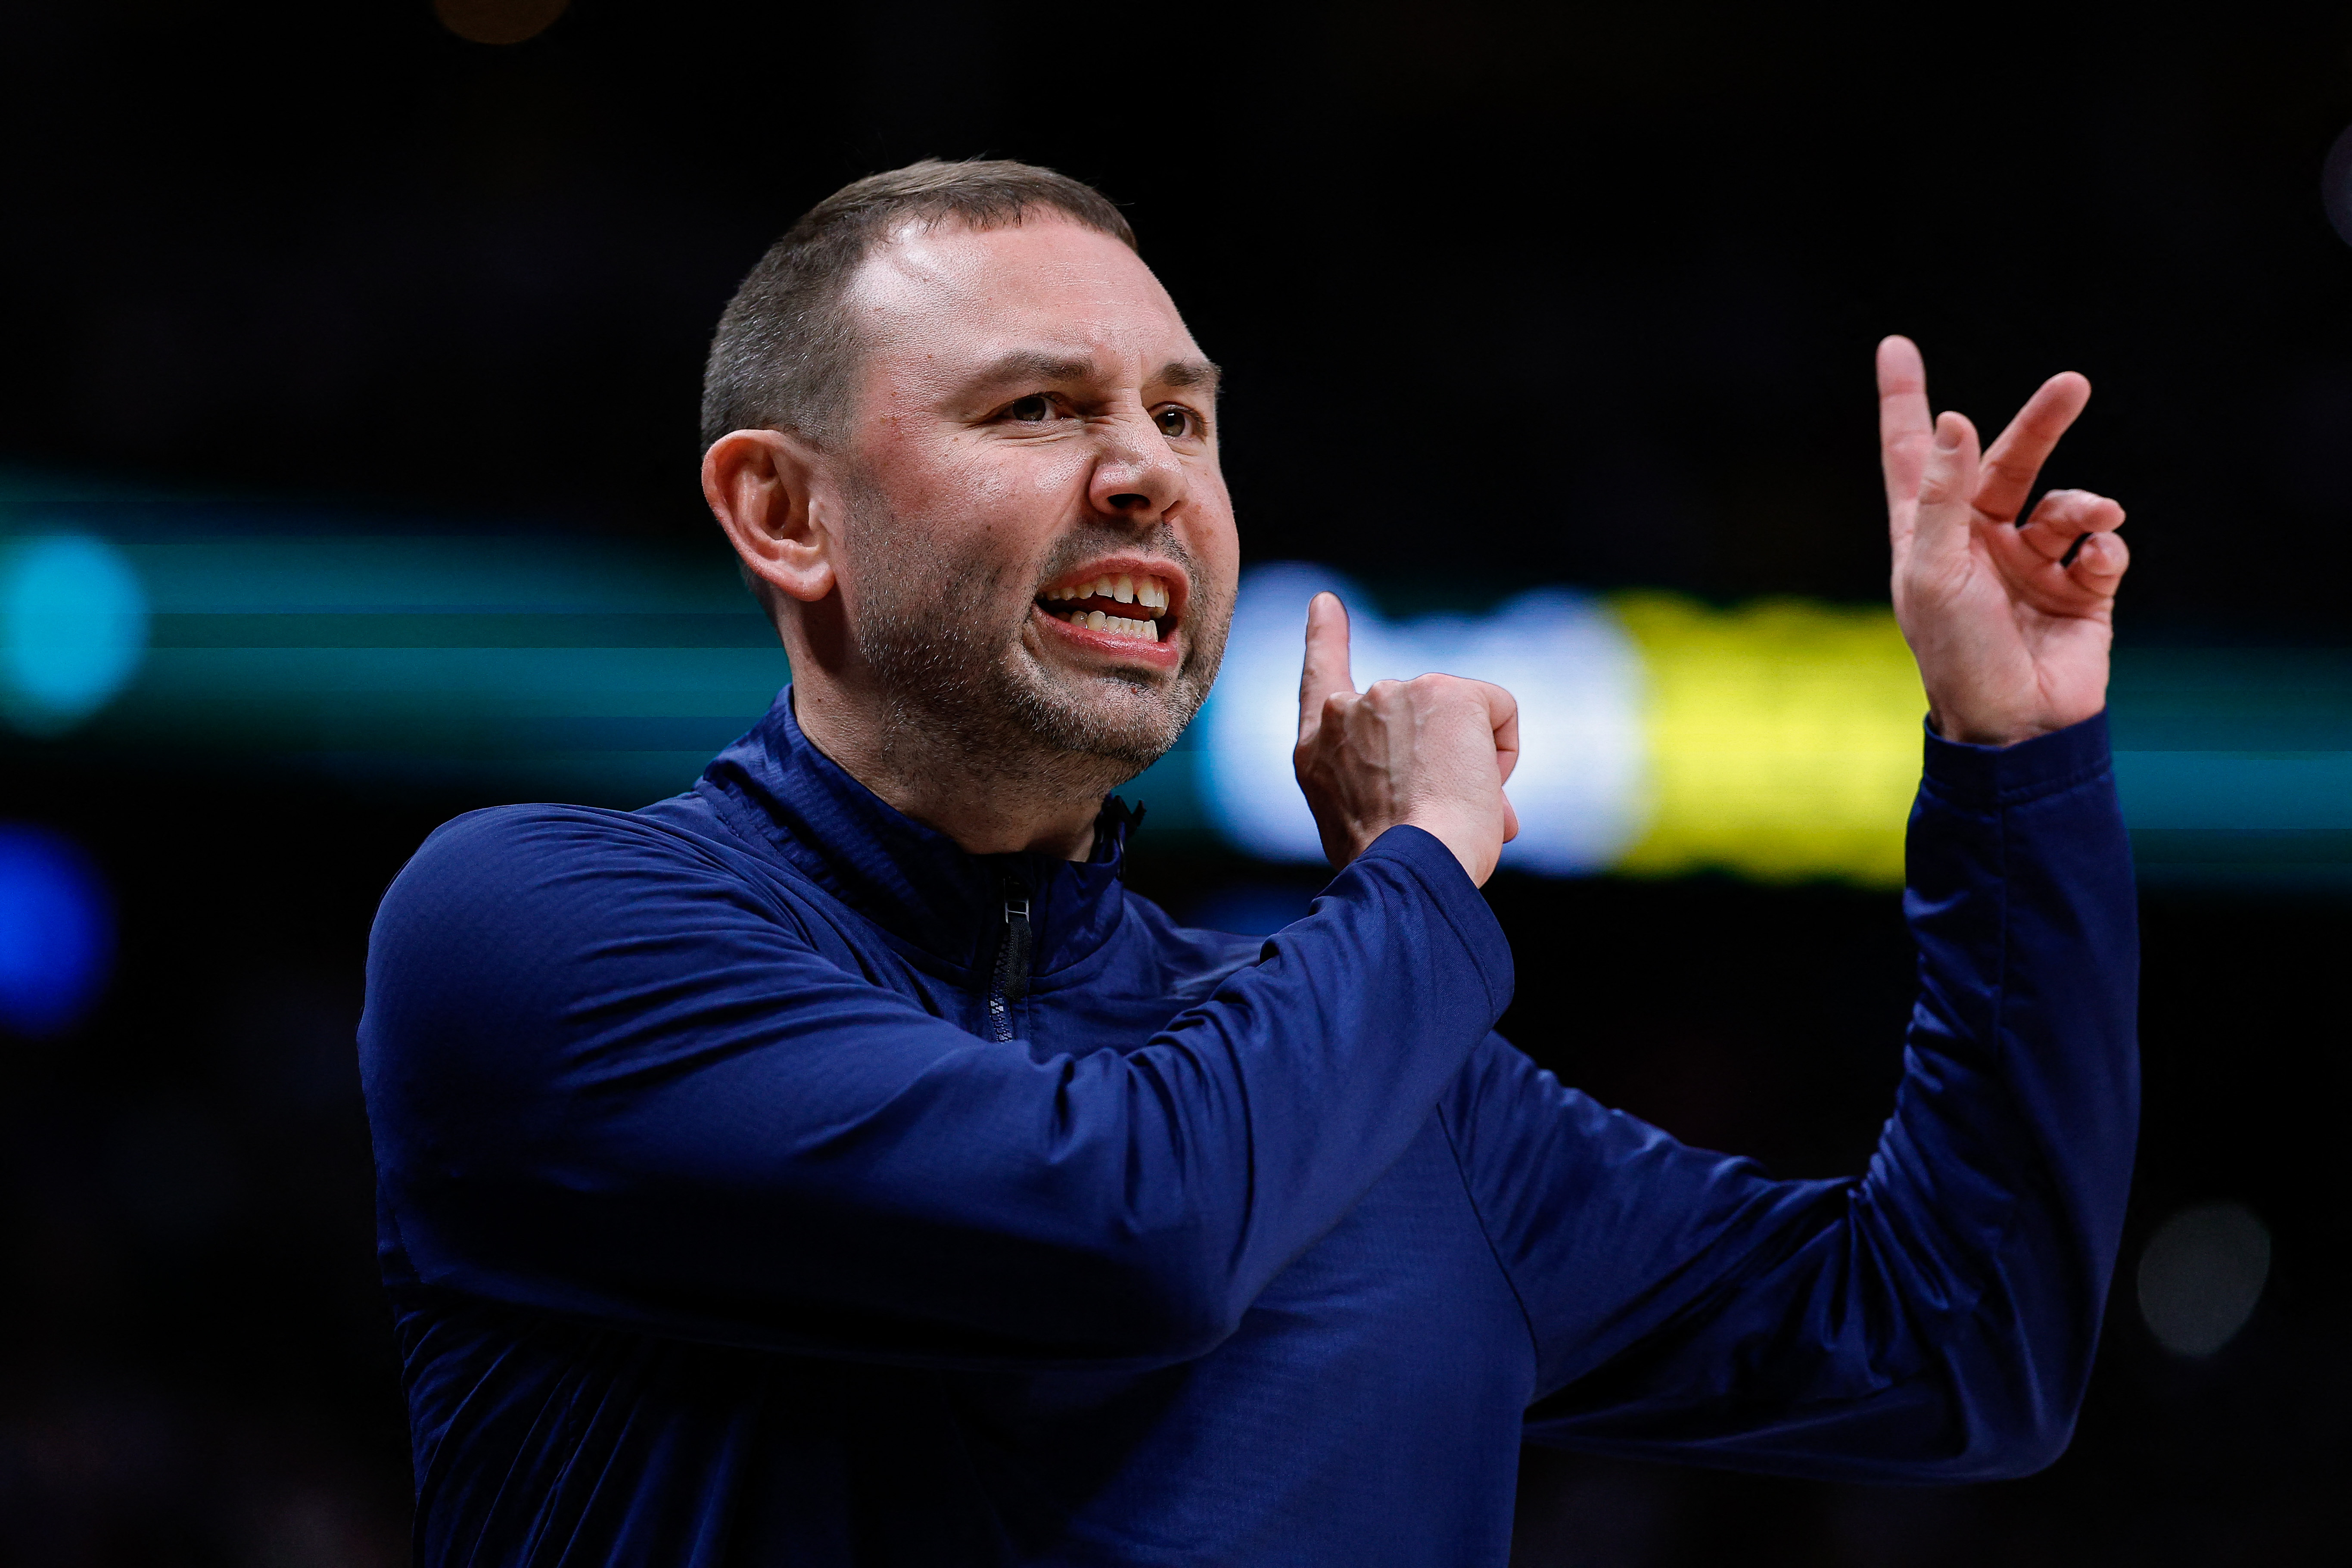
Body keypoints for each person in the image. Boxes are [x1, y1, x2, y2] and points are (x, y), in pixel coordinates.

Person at [358, 159, 2139, 1566]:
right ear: (783, 510)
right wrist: (1420, 869)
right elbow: (1125, 1231)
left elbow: (1955, 1346)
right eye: (1037, 408)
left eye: (1185, 417)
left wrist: (2018, 762)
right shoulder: (532, 932)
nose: (1146, 472)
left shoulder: (1376, 1069)